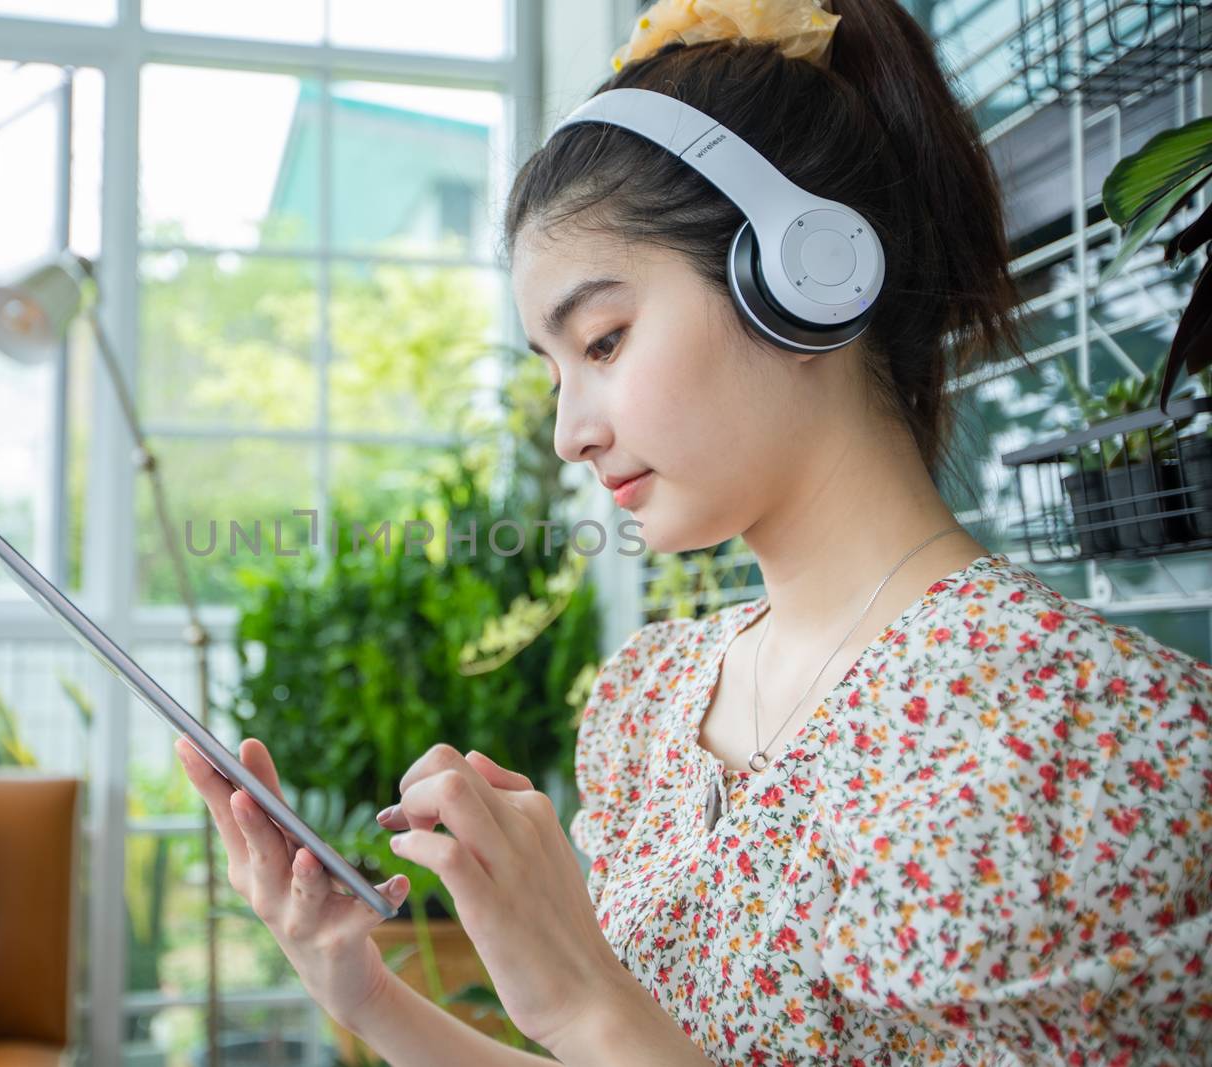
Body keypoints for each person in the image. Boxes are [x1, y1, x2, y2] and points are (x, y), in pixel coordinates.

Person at [175, 0, 1212, 1062]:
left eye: (605, 339)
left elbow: (607, 1032)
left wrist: (584, 995)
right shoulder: (647, 708)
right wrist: (367, 994)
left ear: (806, 277)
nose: (571, 431)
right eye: (552, 368)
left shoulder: (1078, 736)